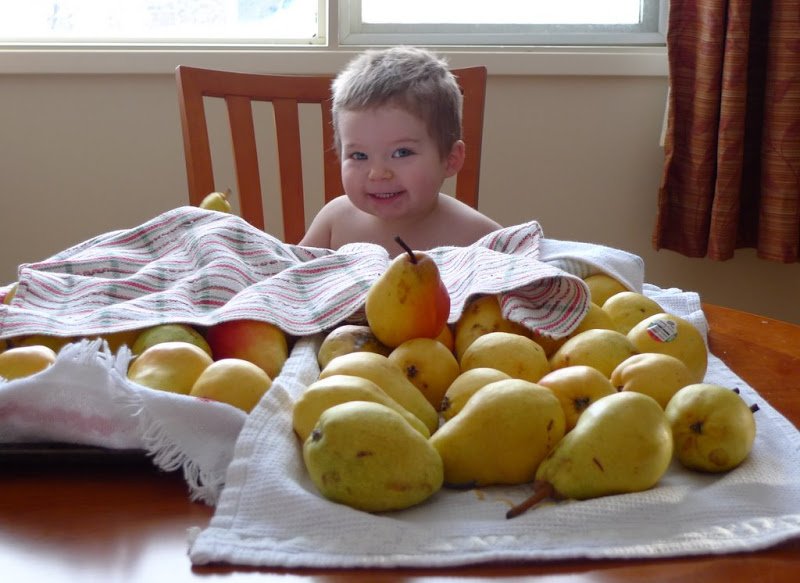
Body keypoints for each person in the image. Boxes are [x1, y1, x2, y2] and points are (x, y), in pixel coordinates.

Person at [299, 46, 502, 256]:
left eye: (401, 152)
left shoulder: (478, 238)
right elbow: (290, 281)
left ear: (450, 159)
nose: (377, 173)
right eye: (359, 155)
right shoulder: (335, 220)